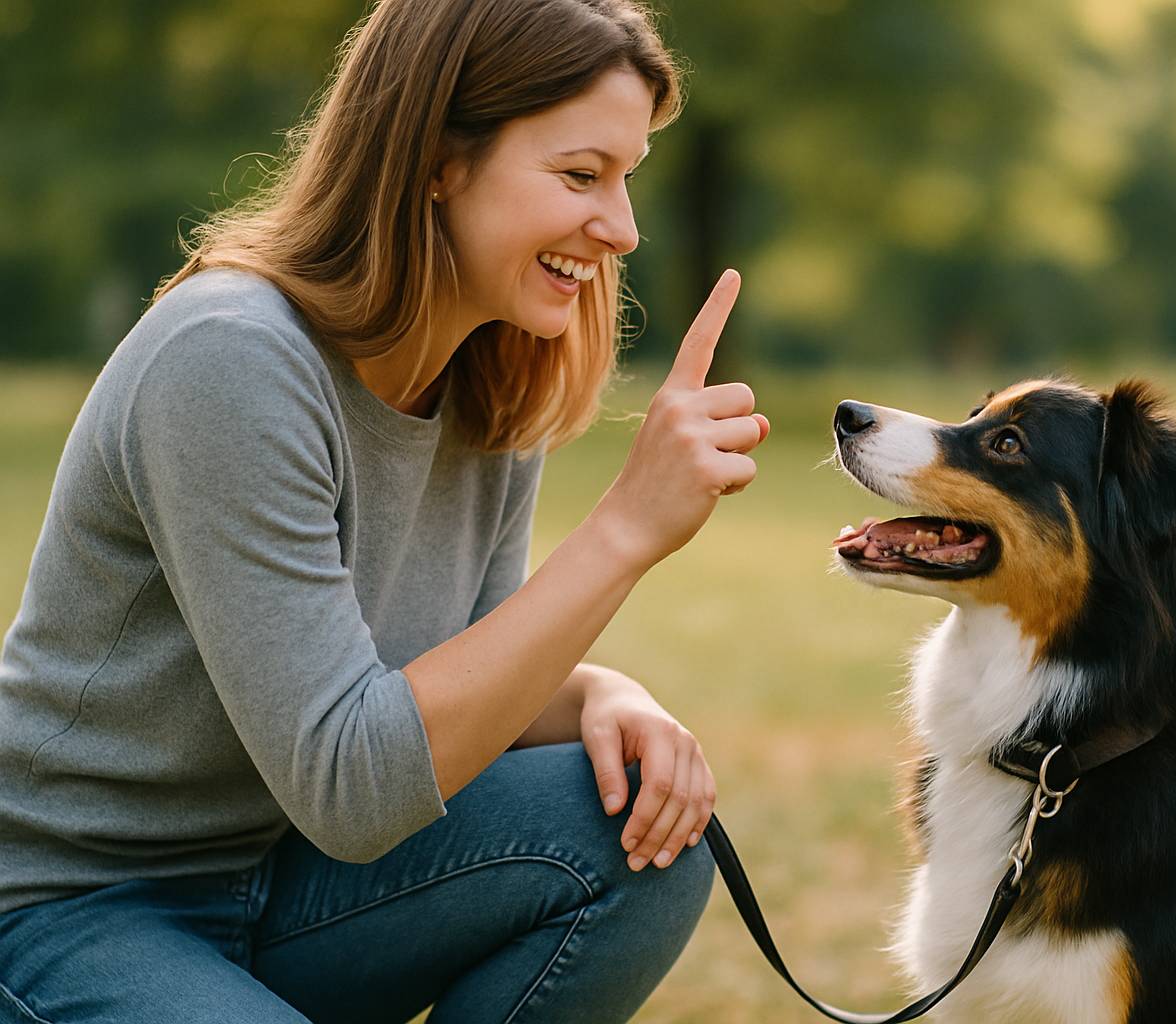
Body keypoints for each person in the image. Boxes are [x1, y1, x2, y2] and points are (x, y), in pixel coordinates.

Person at [0, 1, 768, 1021]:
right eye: (582, 176)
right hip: (70, 904)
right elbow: (354, 783)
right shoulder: (229, 359)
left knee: (642, 834)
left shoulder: (488, 377)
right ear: (440, 158)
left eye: (627, 179)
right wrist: (625, 532)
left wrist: (600, 696)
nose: (622, 227)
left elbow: (450, 693)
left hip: (284, 882)